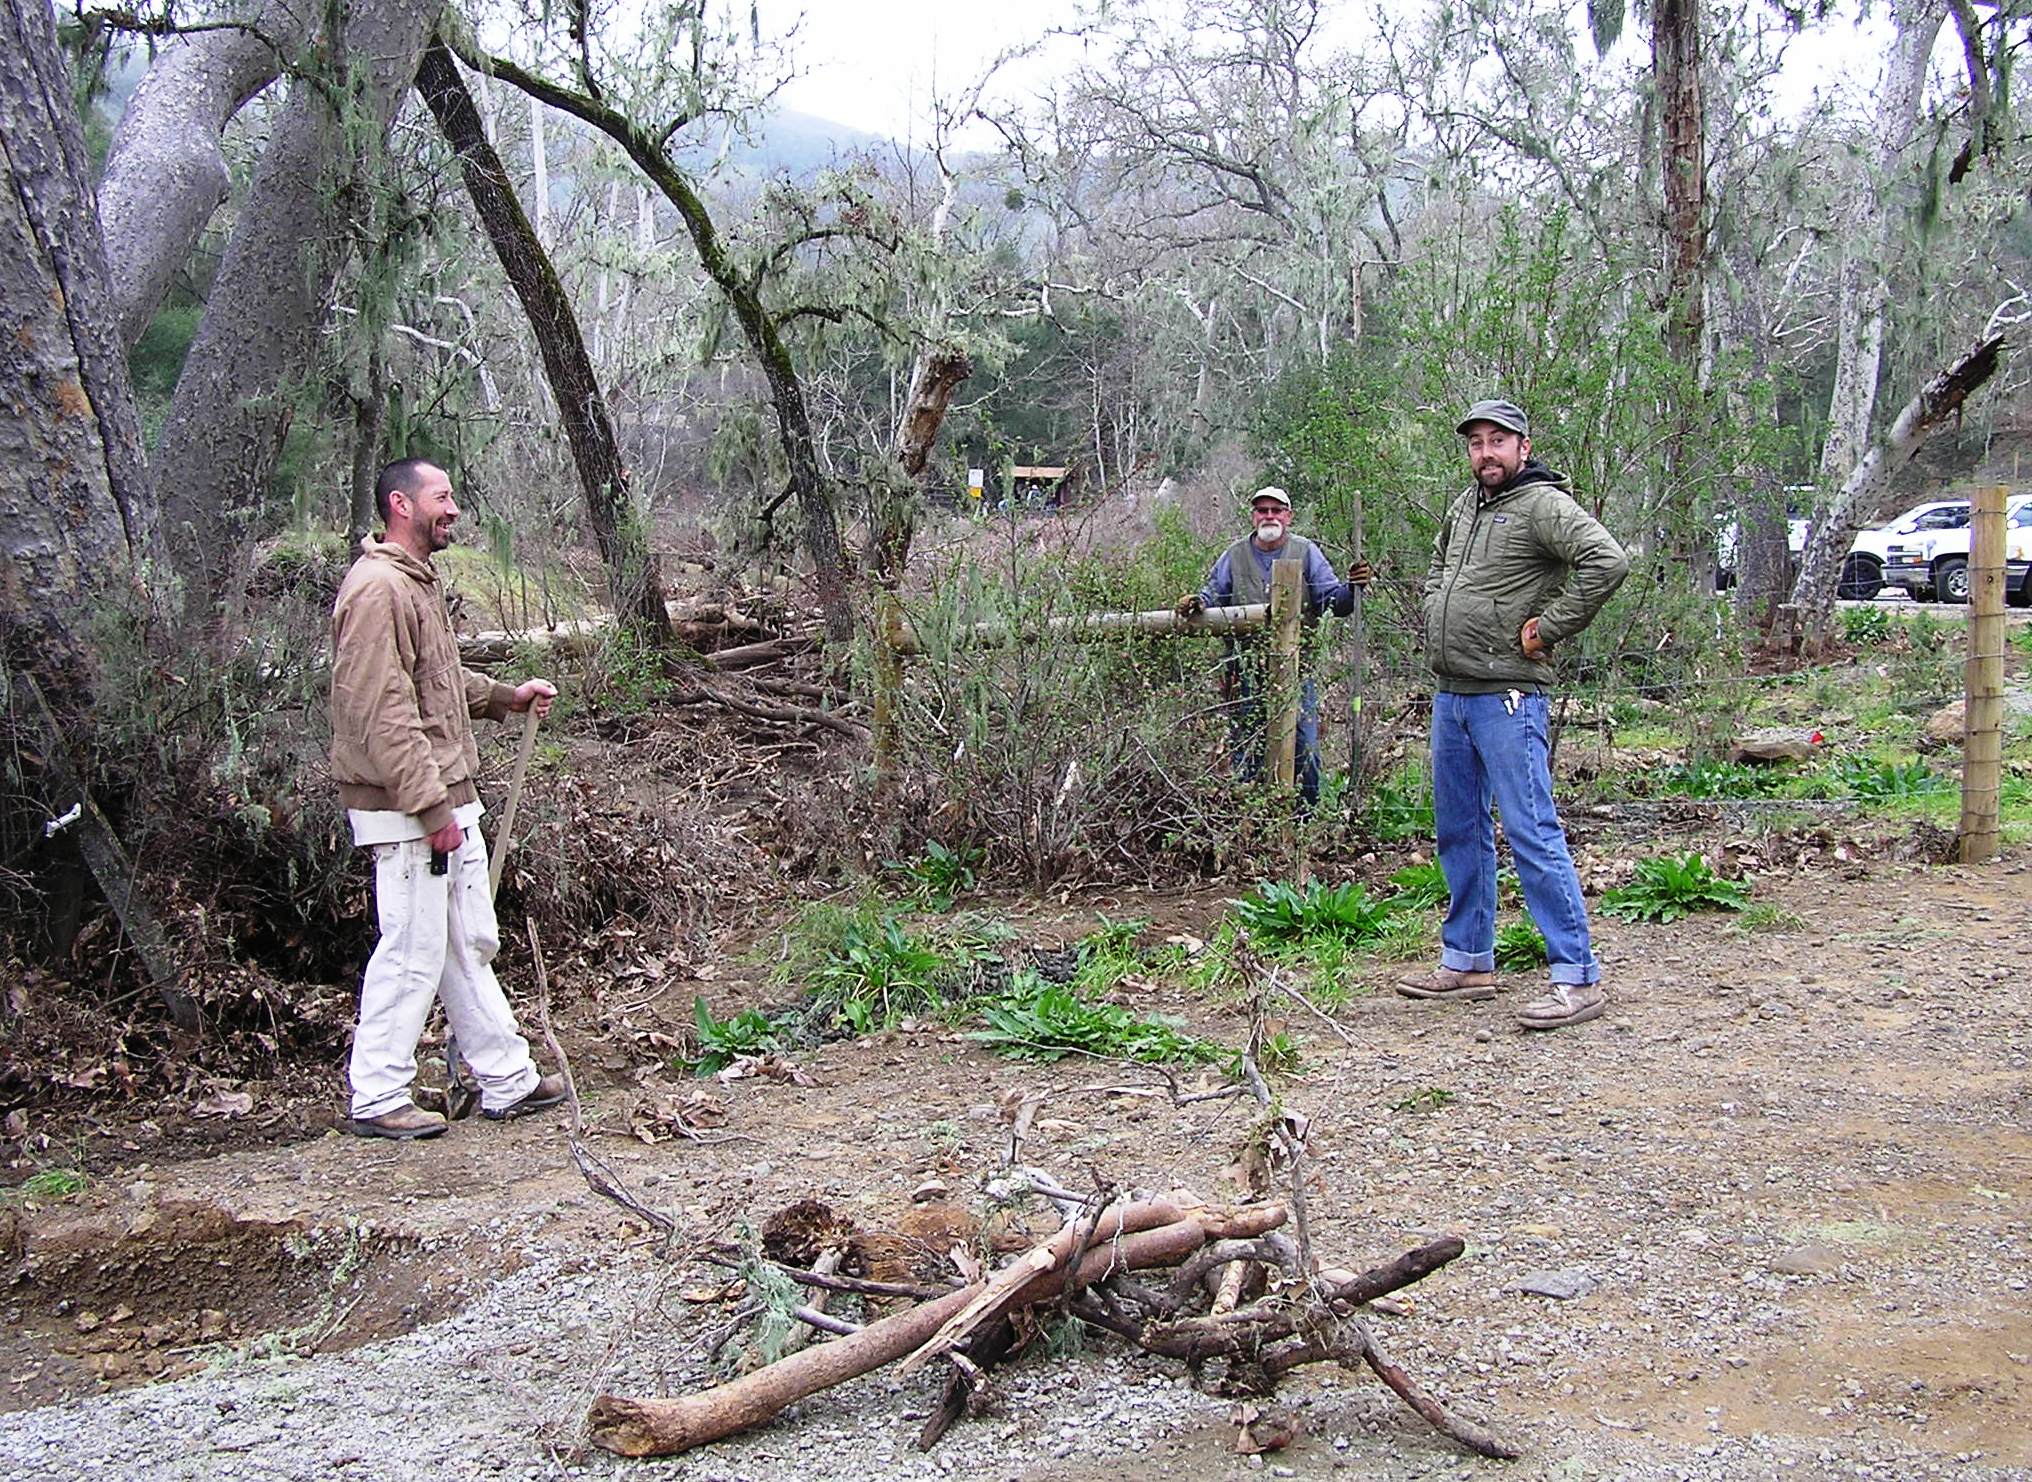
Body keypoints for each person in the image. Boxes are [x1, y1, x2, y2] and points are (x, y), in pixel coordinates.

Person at [330, 458, 568, 1139]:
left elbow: (431, 680)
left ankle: (508, 1080)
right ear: (400, 504)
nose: (453, 508)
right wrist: (432, 809)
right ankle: (377, 1096)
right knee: (411, 946)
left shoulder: (414, 582)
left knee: (464, 945)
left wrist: (502, 698)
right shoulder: (376, 590)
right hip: (407, 806)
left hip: (442, 794)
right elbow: (384, 711)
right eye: (442, 497)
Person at [1398, 400, 1628, 1030]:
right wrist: (1433, 607)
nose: (1486, 453)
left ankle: (1577, 976)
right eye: (1476, 442)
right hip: (1452, 694)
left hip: (1508, 697)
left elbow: (1607, 561)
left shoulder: (1543, 505)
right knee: (1460, 829)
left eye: (1498, 441)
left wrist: (1548, 628)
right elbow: (1439, 569)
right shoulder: (1465, 506)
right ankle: (1470, 960)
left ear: (1523, 447)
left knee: (1531, 831)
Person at [1176, 485, 1370, 806]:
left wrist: (1354, 587)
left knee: (1304, 748)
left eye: (1276, 510)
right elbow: (1212, 593)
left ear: (1288, 516)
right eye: (1262, 510)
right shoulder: (1234, 555)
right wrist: (1196, 603)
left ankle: (1304, 823)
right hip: (1244, 674)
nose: (1269, 516)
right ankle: (1251, 824)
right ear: (1253, 516)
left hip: (1297, 671)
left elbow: (1331, 599)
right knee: (1247, 748)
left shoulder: (1305, 551)